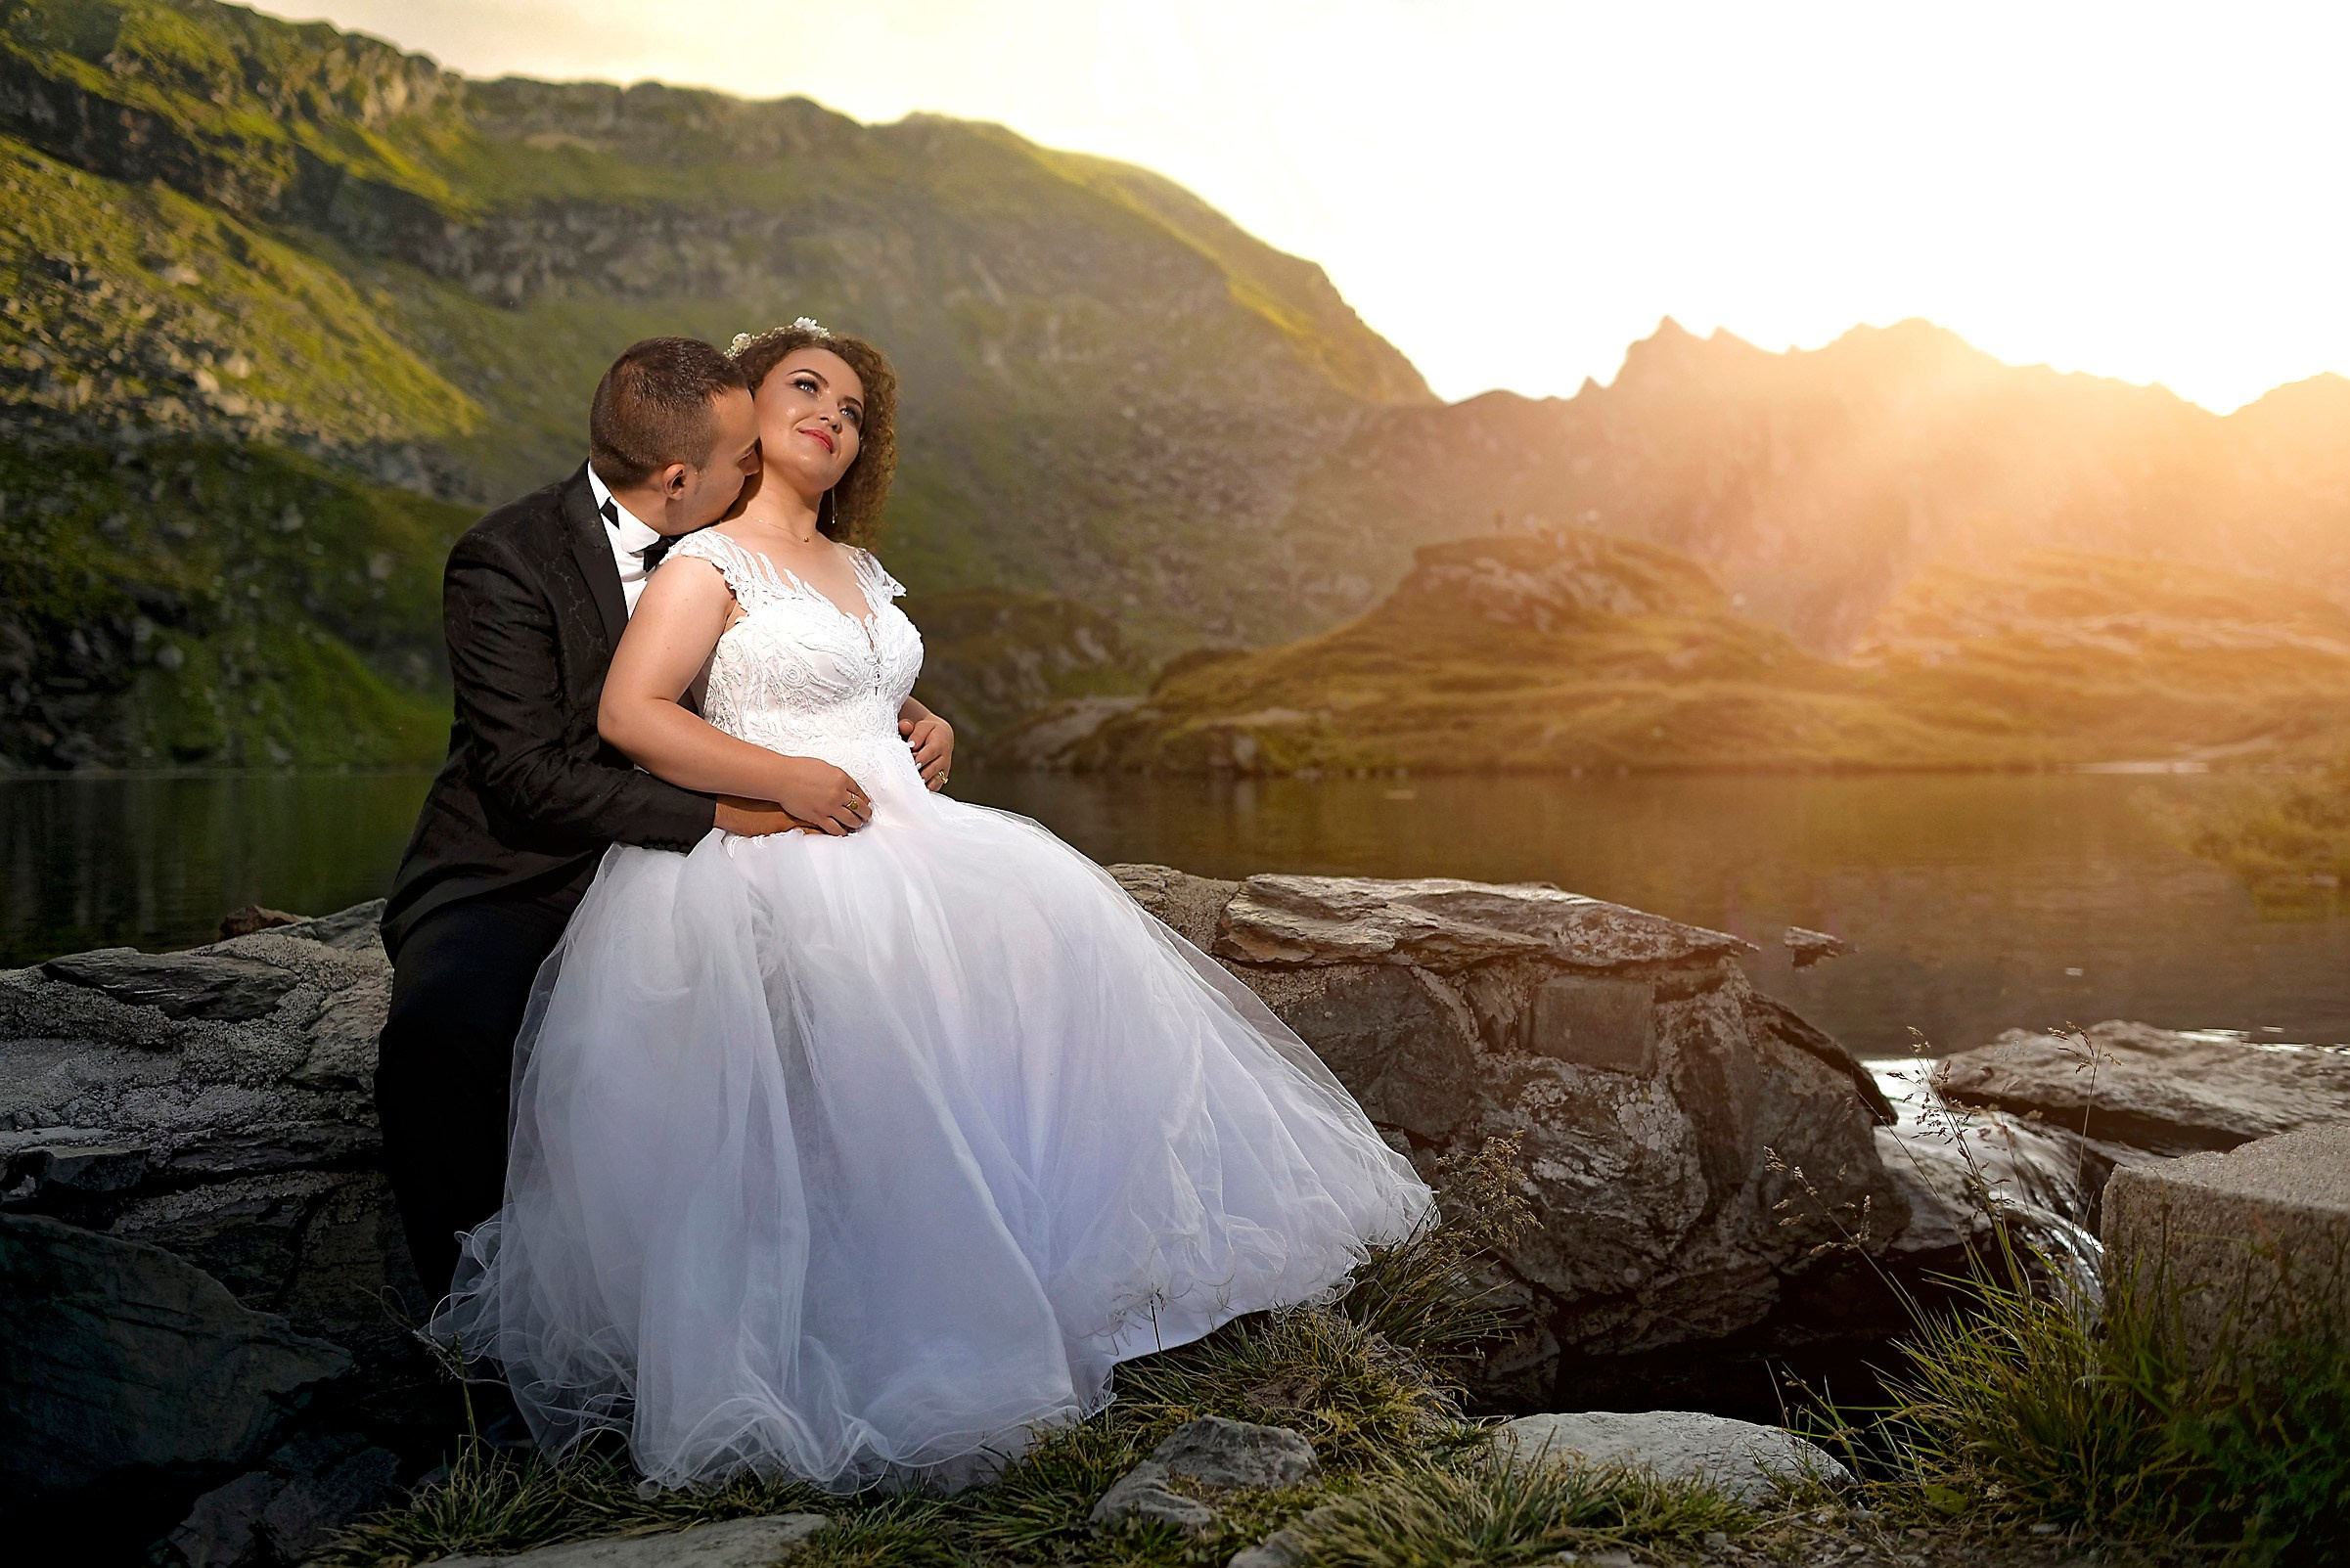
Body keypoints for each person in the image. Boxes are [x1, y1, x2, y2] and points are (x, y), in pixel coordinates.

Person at [429, 319, 1433, 1492]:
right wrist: (784, 780)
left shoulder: (857, 569)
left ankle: (1077, 1287)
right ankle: (886, 1349)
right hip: (788, 841)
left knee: (1057, 951)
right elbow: (634, 715)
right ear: (744, 411)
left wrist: (918, 720)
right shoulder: (705, 560)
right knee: (870, 1020)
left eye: (854, 410)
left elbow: (855, 682)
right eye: (807, 388)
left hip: (905, 829)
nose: (833, 415)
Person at [376, 337, 875, 1309]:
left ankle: (770, 1292)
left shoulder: (733, 532)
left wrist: (900, 712)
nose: (757, 465)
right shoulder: (506, 558)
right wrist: (730, 811)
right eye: (742, 455)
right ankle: (476, 1324)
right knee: (441, 1033)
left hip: (696, 867)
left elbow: (799, 656)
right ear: (678, 478)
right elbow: (526, 777)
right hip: (524, 865)